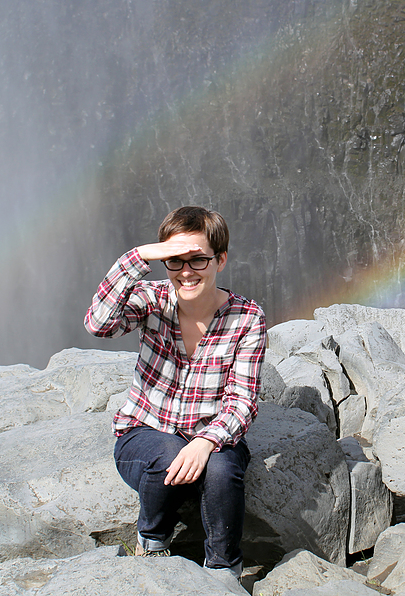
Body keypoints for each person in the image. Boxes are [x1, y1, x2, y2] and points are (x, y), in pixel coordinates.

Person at [84, 206, 266, 581]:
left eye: (198, 260)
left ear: (220, 260)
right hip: (145, 434)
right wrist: (139, 256)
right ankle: (152, 540)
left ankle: (223, 570)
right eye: (174, 260)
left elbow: (243, 400)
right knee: (167, 453)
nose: (186, 271)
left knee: (220, 468)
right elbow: (98, 324)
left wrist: (205, 442)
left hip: (210, 436)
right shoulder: (151, 299)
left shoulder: (247, 318)